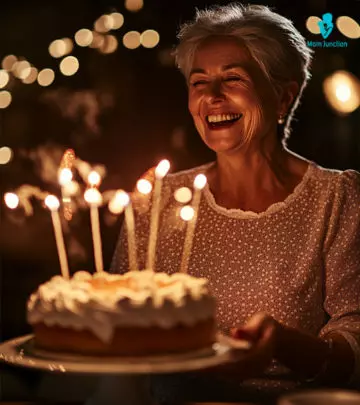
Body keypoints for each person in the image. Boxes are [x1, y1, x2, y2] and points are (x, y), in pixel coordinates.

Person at [111, 3, 360, 403]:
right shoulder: (156, 202)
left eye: (233, 79)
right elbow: (115, 326)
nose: (211, 97)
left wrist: (283, 345)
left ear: (282, 98)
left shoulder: (335, 198)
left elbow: (356, 339)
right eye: (198, 82)